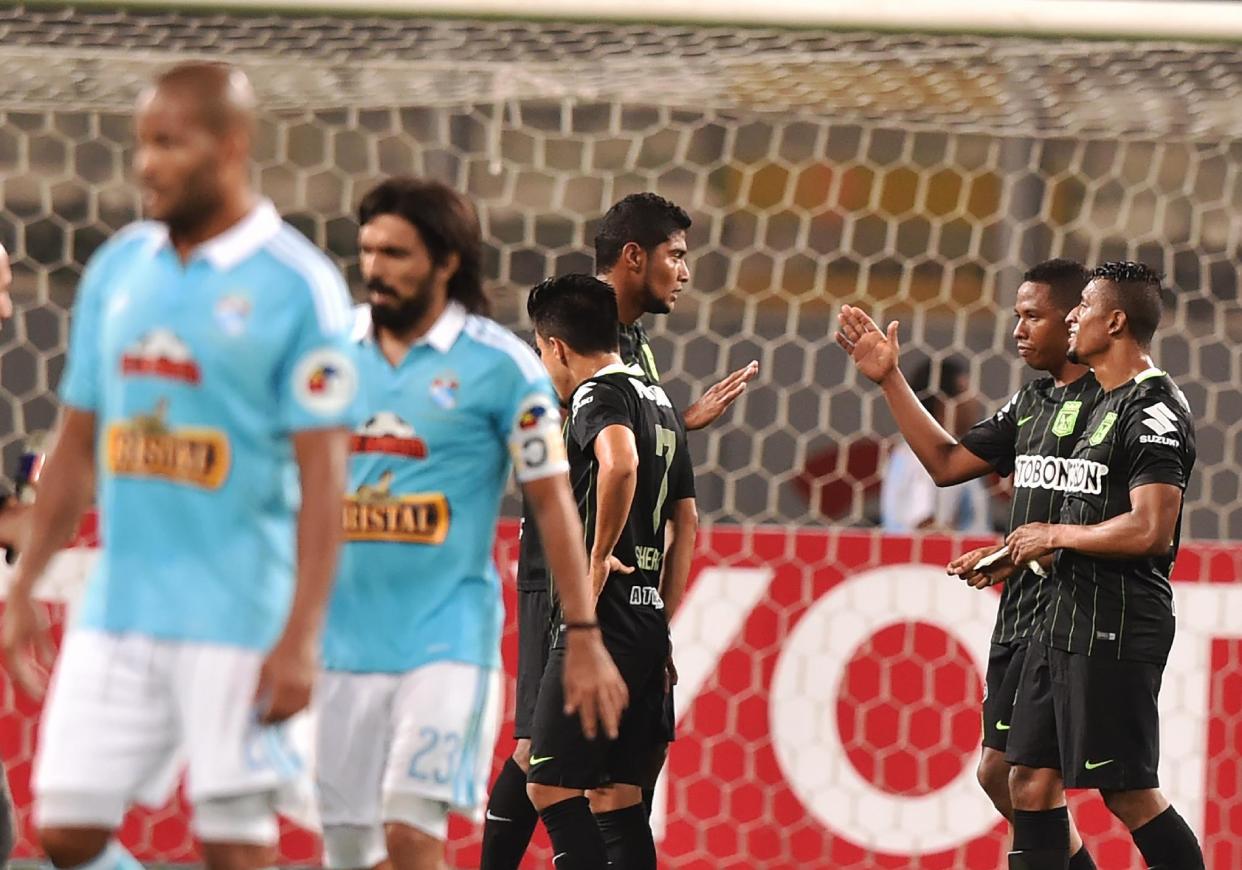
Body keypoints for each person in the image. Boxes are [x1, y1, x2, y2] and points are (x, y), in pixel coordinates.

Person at [0, 62, 360, 870]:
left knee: (234, 844)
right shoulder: (119, 269)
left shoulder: (300, 287)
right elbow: (74, 448)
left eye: (169, 143)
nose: (147, 164)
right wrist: (23, 589)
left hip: (240, 619)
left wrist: (301, 637)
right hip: (120, 611)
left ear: (230, 147)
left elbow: (327, 487)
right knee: (64, 828)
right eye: (141, 144)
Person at [314, 177, 627, 870]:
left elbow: (552, 504)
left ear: (445, 260)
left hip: (444, 643)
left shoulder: (502, 369)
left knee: (410, 832)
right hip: (338, 644)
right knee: (349, 852)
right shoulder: (327, 355)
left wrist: (580, 634)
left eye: (395, 252)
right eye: (366, 251)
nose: (374, 268)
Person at [481, 192, 752, 868]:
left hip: (617, 577)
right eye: (677, 256)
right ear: (634, 257)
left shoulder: (630, 355)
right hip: (567, 566)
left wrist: (674, 427)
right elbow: (573, 450)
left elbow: (617, 448)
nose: (685, 272)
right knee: (552, 765)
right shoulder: (568, 343)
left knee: (597, 783)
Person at [838, 258, 1101, 869]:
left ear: (1075, 319)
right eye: (1016, 316)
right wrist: (890, 380)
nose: (1018, 329)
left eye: (1033, 316)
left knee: (1058, 785)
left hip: (1076, 615)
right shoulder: (1031, 403)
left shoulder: (1114, 404)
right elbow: (948, 464)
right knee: (996, 774)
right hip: (1021, 611)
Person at [998, 262, 1202, 870]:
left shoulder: (1156, 407)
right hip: (1056, 619)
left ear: (1114, 321)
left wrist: (1055, 533)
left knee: (1128, 791)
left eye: (1082, 306)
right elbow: (1079, 518)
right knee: (1029, 783)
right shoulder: (1094, 404)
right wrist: (1015, 552)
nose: (1070, 316)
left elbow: (1150, 528)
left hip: (1112, 623)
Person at [522, 273, 696, 869]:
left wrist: (594, 562)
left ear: (556, 347)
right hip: (646, 615)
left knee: (548, 784)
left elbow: (617, 463)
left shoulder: (597, 395)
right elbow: (689, 520)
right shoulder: (661, 400)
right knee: (617, 800)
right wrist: (661, 617)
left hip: (603, 617)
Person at [878, 355, 990, 533]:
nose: (975, 399)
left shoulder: (911, 450)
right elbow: (925, 527)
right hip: (933, 559)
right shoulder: (929, 454)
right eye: (965, 390)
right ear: (942, 402)